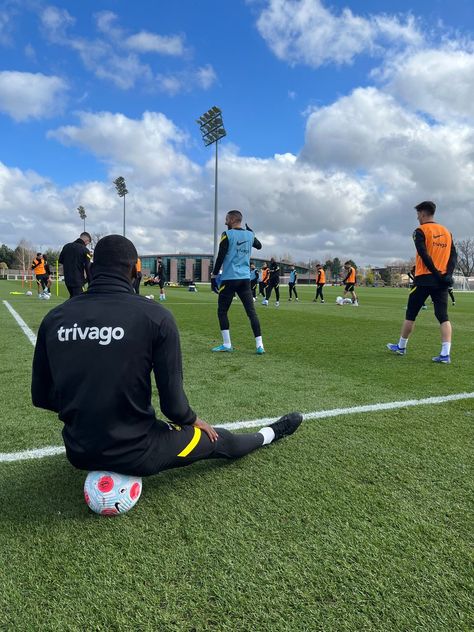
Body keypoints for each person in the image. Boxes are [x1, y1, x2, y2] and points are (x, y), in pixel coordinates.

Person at [31, 234, 302, 477]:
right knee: (219, 440)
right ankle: (271, 433)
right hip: (140, 451)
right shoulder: (154, 316)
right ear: (135, 270)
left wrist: (88, 410)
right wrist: (194, 422)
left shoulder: (55, 318)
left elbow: (41, 397)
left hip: (79, 452)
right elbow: (174, 407)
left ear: (91, 269)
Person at [387, 201, 457, 363]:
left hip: (424, 280)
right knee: (443, 317)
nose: (417, 217)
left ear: (423, 213)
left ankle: (401, 347)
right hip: (442, 282)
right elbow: (454, 256)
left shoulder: (420, 231)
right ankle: (445, 354)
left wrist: (435, 273)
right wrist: (447, 275)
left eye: (418, 214)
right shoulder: (447, 232)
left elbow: (424, 255)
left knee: (411, 314)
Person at [210, 210, 265, 354]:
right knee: (251, 312)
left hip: (229, 279)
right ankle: (260, 345)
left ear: (233, 219)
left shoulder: (226, 235)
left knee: (222, 311)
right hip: (245, 279)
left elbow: (220, 257)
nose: (225, 222)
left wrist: (214, 275)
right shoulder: (250, 235)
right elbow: (259, 246)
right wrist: (252, 232)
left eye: (227, 219)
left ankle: (227, 344)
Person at [58, 232, 91, 298]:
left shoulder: (66, 246)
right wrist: (90, 282)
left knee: (72, 299)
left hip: (67, 280)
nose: (87, 244)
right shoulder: (85, 250)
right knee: (79, 301)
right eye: (88, 243)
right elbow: (88, 268)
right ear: (86, 241)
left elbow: (60, 260)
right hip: (78, 281)